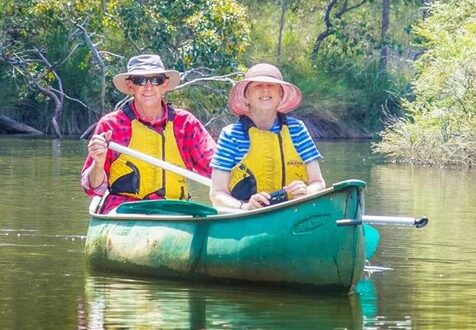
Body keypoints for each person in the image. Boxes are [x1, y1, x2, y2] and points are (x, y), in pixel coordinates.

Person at [83, 54, 216, 214]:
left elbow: (216, 168)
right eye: (140, 80)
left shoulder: (186, 123)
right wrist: (98, 164)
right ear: (130, 86)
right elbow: (93, 189)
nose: (148, 87)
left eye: (156, 80)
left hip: (176, 212)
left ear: (164, 85)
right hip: (125, 212)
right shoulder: (110, 125)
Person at [210, 63, 325, 210]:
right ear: (246, 95)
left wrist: (308, 191)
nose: (265, 90)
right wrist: (245, 206)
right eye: (258, 86)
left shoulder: (297, 130)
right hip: (248, 219)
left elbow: (319, 183)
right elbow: (217, 194)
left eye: (271, 85)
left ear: (280, 95)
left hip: (294, 214)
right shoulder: (230, 135)